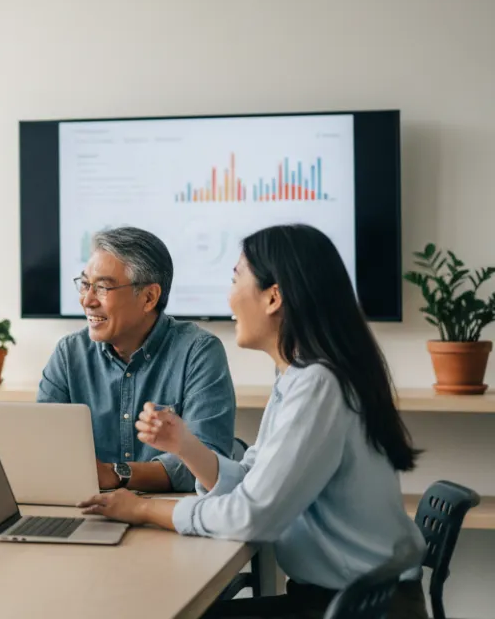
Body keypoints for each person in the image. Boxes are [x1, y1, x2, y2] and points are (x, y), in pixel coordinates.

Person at [79, 224, 427, 619]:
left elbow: (251, 516)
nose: (229, 296)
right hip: (342, 600)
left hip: (361, 609)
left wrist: (142, 510)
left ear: (273, 297)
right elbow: (251, 479)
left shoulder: (318, 384)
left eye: (235, 279)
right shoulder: (299, 376)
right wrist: (185, 446)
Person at [38, 226, 235, 492]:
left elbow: (209, 463)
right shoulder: (69, 354)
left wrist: (116, 475)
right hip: (91, 508)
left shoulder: (198, 352)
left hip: (172, 514)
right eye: (85, 285)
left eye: (103, 287)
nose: (87, 300)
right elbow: (42, 449)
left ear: (149, 297)